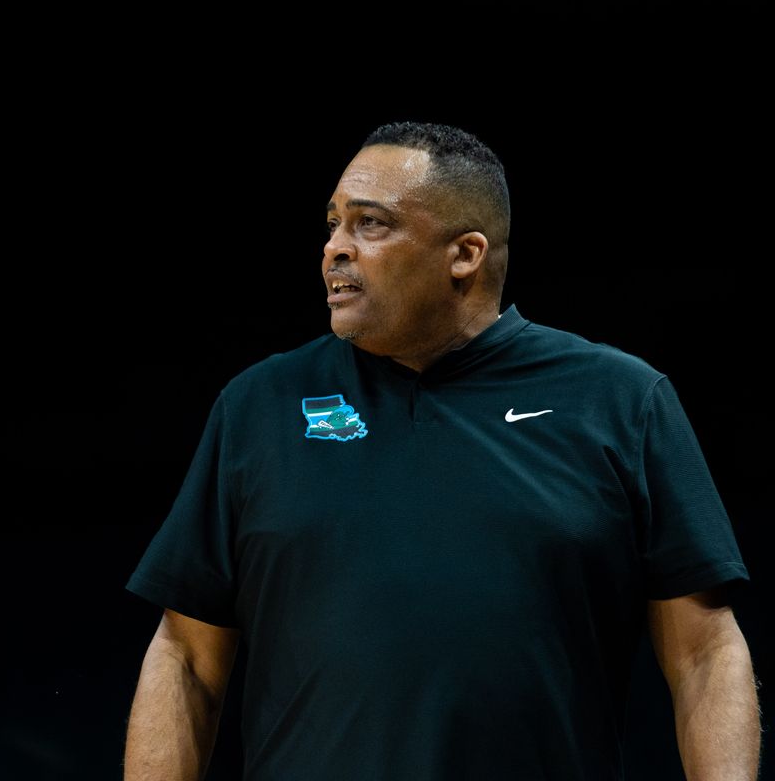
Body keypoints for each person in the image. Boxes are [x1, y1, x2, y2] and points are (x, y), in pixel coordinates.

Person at [121, 123, 760, 780]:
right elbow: (186, 659)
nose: (334, 249)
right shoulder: (260, 406)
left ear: (465, 254)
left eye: (371, 224)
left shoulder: (620, 401)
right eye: (334, 223)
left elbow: (705, 653)